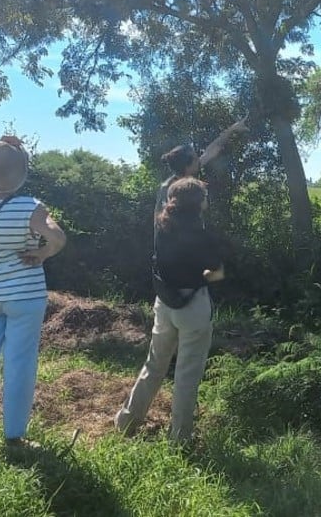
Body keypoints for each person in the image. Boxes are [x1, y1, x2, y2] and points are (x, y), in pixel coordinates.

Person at [0, 136, 67, 447]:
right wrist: (42, 254)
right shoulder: (30, 207)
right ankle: (14, 437)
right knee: (19, 364)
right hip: (25, 296)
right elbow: (58, 238)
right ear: (22, 176)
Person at [116, 177, 225, 445]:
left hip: (164, 303)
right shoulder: (202, 235)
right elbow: (218, 273)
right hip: (193, 307)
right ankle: (179, 438)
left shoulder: (162, 226)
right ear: (198, 202)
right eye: (204, 197)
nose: (207, 201)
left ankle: (126, 421)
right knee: (187, 375)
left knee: (154, 364)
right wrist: (201, 276)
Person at [154, 116, 248, 219]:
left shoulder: (189, 170)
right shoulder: (167, 189)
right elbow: (160, 222)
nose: (199, 160)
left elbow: (210, 151)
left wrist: (232, 129)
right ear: (187, 166)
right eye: (196, 159)